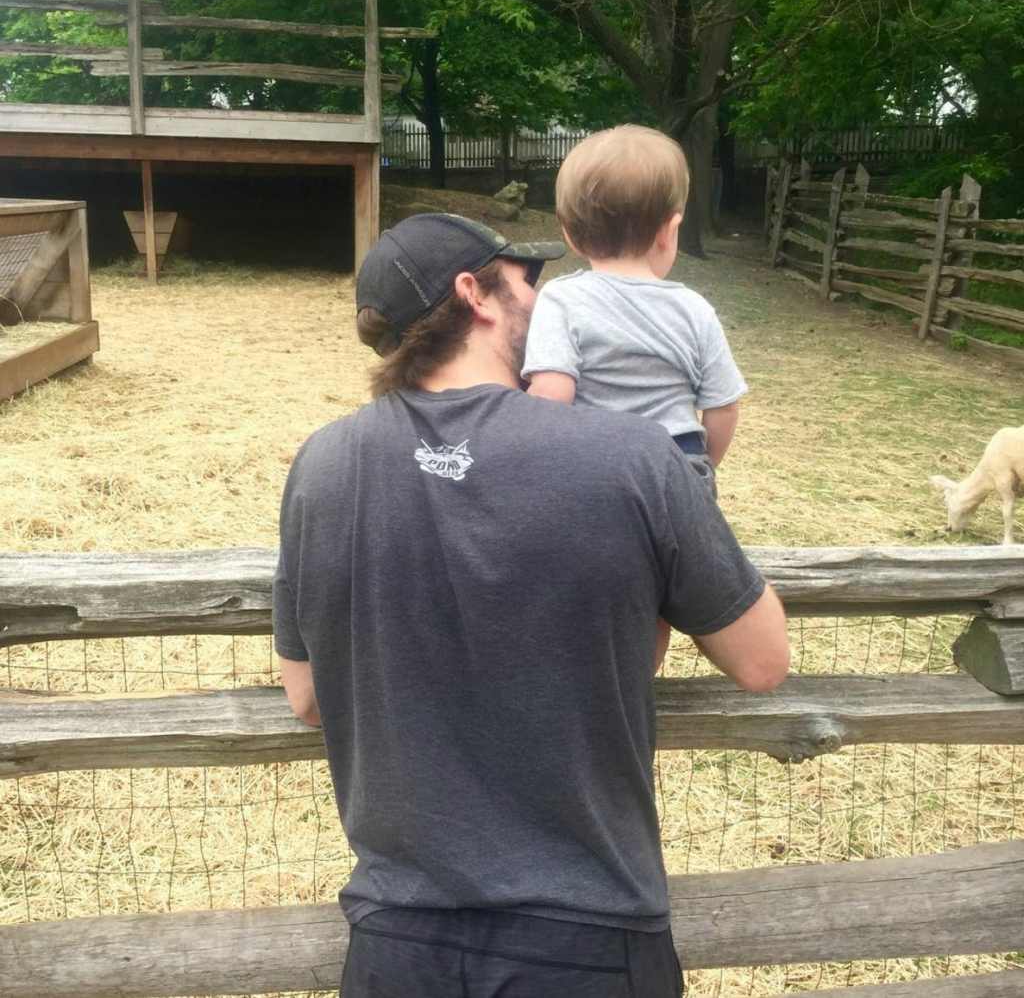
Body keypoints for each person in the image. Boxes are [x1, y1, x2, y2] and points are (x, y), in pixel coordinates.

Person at [273, 212, 790, 998]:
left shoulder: (322, 464)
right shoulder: (630, 456)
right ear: (474, 293)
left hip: (397, 944)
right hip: (590, 935)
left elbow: (306, 694)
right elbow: (762, 661)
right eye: (527, 280)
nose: (542, 299)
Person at [523, 124, 747, 493]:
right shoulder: (694, 308)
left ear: (568, 233)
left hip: (595, 464)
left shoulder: (561, 299)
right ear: (670, 229)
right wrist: (702, 472)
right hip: (677, 462)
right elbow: (723, 407)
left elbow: (552, 394)